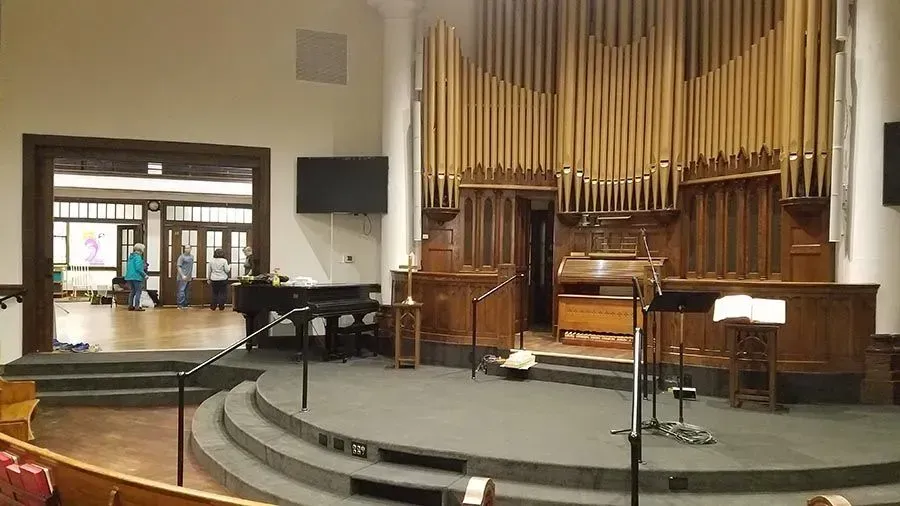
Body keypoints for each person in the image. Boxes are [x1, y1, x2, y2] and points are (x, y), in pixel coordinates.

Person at [123, 243, 147, 311]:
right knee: (138, 291)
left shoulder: (131, 257)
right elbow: (138, 268)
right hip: (136, 276)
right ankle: (137, 306)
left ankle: (130, 306)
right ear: (141, 250)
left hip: (129, 277)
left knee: (132, 291)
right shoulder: (138, 257)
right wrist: (145, 275)